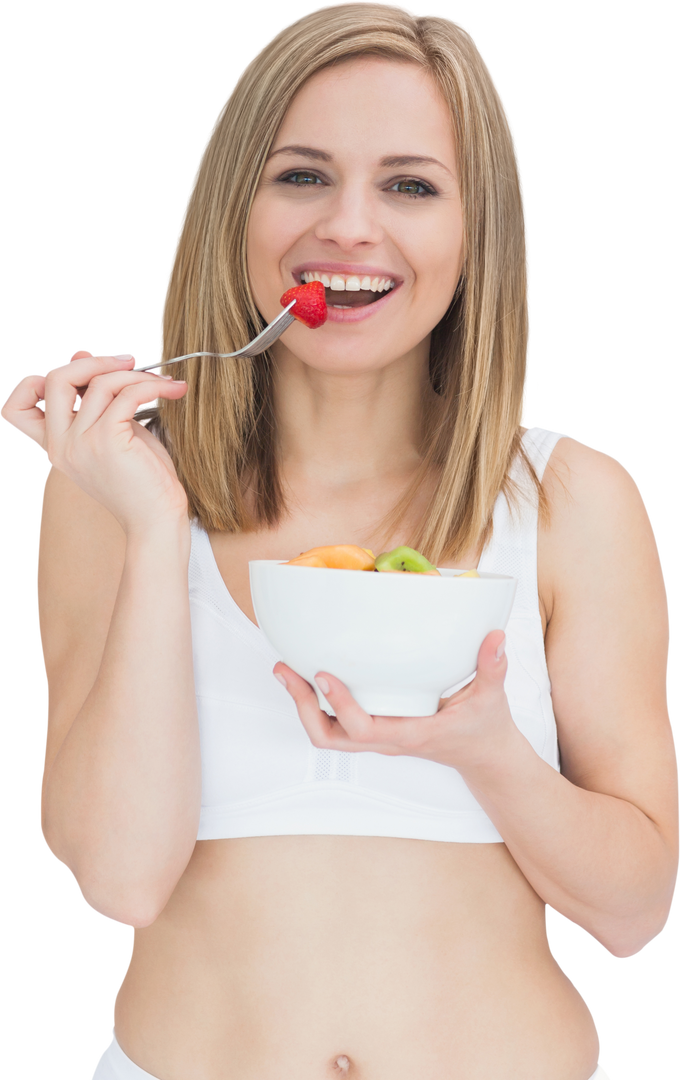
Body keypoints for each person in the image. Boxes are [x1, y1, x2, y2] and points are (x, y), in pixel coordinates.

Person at [2, 4, 675, 1078]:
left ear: (475, 231)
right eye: (301, 176)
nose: (350, 228)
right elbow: (118, 880)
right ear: (235, 205)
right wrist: (153, 525)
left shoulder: (573, 499)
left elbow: (635, 911)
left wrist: (486, 753)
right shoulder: (111, 494)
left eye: (409, 185)